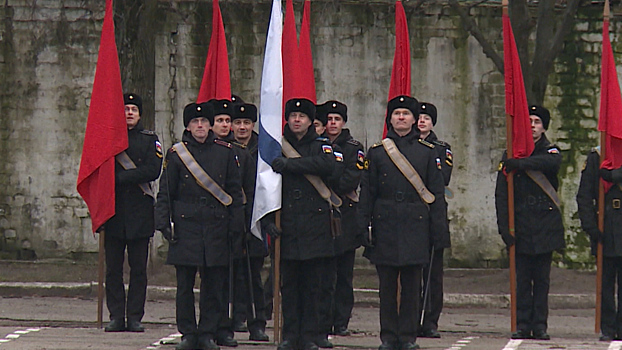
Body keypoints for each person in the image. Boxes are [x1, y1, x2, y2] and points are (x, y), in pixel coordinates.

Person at [359, 95, 447, 350]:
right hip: (385, 223)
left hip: (415, 223)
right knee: (387, 286)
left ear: (414, 120)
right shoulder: (377, 153)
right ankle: (388, 336)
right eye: (396, 113)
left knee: (411, 286)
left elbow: (436, 194)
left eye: (406, 114)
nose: (401, 118)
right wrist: (363, 226)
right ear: (390, 118)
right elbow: (368, 192)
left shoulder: (428, 153)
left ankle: (408, 336)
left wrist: (439, 231)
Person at [155, 102, 244, 350]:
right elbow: (166, 192)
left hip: (216, 225)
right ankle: (188, 333)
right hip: (186, 226)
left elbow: (235, 193)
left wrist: (236, 227)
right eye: (195, 122)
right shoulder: (176, 154)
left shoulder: (226, 152)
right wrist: (163, 222)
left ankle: (207, 332)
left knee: (213, 285)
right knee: (184, 285)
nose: (200, 126)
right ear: (188, 126)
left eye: (204, 122)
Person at [262, 98, 337, 350]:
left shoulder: (320, 145)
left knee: (313, 286)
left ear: (309, 120)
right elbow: (263, 186)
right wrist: (267, 221)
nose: (297, 120)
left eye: (302, 116)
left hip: (314, 227)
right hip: (287, 225)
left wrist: (291, 165)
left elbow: (329, 167)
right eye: (293, 115)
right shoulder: (275, 145)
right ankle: (290, 335)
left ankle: (309, 335)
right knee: (289, 287)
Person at [495, 105, 564, 340]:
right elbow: (501, 195)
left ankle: (540, 325)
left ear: (544, 126)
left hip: (545, 225)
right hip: (521, 224)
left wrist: (520, 164)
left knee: (542, 280)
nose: (532, 125)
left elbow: (550, 164)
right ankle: (523, 323)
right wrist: (504, 228)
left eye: (537, 121)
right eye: (529, 121)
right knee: (522, 279)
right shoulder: (510, 154)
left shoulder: (550, 150)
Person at [103, 93, 163, 333]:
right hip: (114, 213)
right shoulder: (109, 140)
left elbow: (152, 170)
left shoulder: (150, 140)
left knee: (139, 270)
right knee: (113, 270)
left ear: (140, 114)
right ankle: (116, 316)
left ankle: (135, 316)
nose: (129, 113)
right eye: (125, 108)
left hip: (140, 212)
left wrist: (120, 178)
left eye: (133, 109)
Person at [315, 100, 364, 347]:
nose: (332, 124)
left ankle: (341, 319)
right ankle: (323, 319)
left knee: (344, 274)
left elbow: (350, 179)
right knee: (324, 274)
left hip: (345, 215)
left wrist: (328, 179)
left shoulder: (354, 147)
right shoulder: (317, 145)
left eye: (337, 119)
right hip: (321, 216)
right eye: (329, 119)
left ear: (343, 122)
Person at [230, 102, 270, 342]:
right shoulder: (224, 147)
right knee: (233, 274)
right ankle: (235, 317)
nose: (242, 127)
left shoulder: (263, 148)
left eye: (246, 123)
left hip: (256, 218)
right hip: (231, 219)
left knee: (254, 274)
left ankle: (257, 323)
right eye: (237, 123)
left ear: (253, 125)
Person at [577, 146, 622, 341]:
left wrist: (615, 174)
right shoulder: (598, 156)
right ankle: (608, 327)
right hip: (606, 226)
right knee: (605, 283)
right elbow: (585, 196)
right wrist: (591, 227)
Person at [417, 102, 453, 339]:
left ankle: (430, 320)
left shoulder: (441, 148)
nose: (422, 122)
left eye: (426, 118)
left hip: (433, 213)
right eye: (419, 117)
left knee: (432, 273)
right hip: (409, 216)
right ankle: (410, 317)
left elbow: (443, 178)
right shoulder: (400, 147)